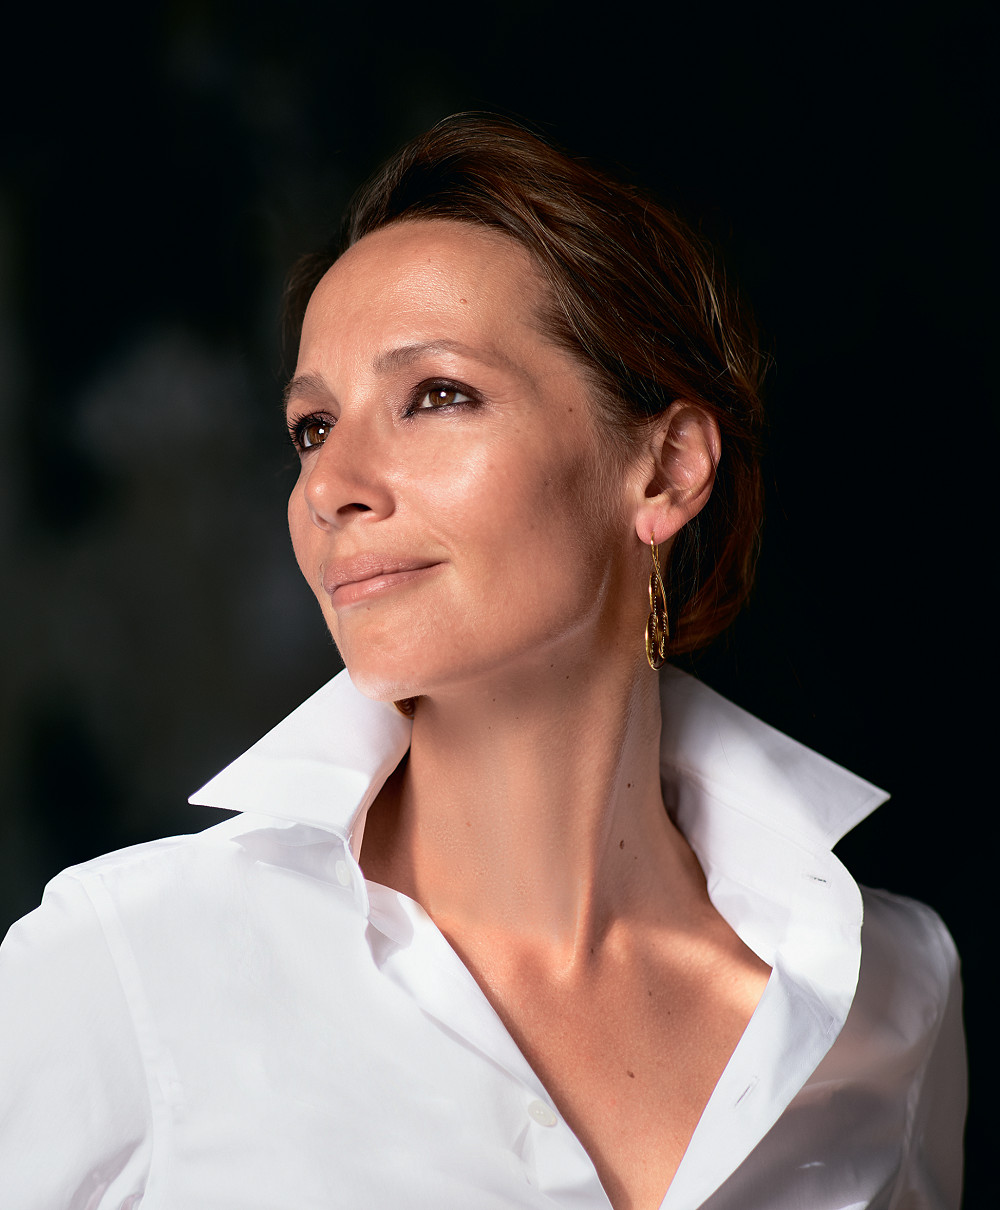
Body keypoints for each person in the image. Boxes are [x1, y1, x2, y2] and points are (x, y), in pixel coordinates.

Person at [0, 114, 965, 1209]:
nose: (331, 486)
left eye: (436, 396)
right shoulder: (128, 966)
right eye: (313, 427)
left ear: (663, 470)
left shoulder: (890, 991)